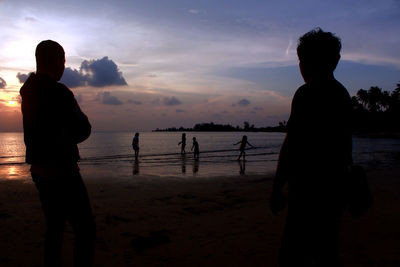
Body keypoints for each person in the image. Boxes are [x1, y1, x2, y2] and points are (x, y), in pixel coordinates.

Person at [270, 28, 353, 267]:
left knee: (293, 253)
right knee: (325, 249)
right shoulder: (341, 95)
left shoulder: (306, 94)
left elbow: (292, 144)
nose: (303, 68)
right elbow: (344, 149)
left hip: (307, 189)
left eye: (304, 61)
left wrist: (277, 188)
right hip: (334, 189)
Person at [20, 40, 95, 266]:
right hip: (62, 171)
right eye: (63, 61)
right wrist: (65, 137)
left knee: (54, 228)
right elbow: (84, 128)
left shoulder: (28, 90)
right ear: (55, 62)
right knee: (85, 228)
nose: (64, 66)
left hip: (39, 170)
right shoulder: (60, 92)